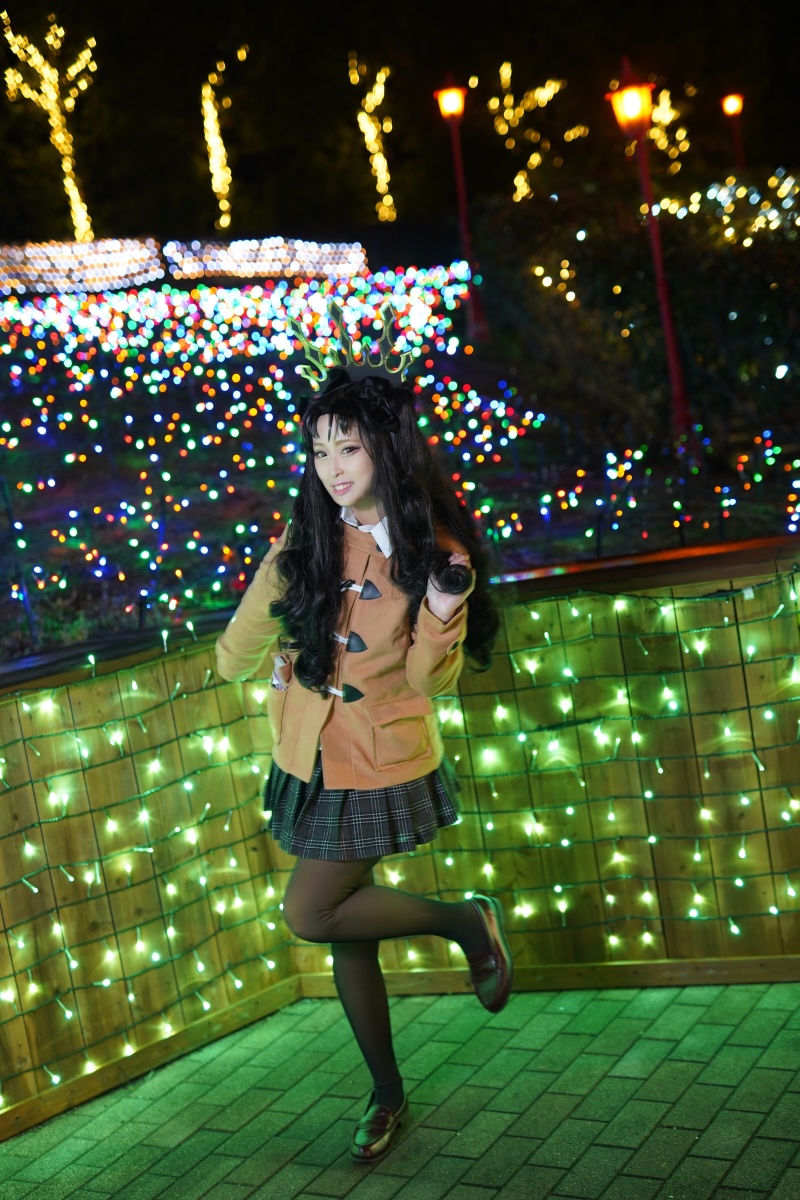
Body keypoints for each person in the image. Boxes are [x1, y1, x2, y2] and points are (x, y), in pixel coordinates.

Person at [215, 367, 511, 1164]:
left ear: (386, 446)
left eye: (348, 447)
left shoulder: (433, 552)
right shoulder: (310, 534)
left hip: (379, 760)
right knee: (348, 931)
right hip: (308, 757)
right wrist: (269, 593)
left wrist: (443, 610)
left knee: (311, 912)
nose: (333, 468)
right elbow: (238, 647)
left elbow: (429, 682)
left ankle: (466, 923)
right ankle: (386, 1094)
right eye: (319, 451)